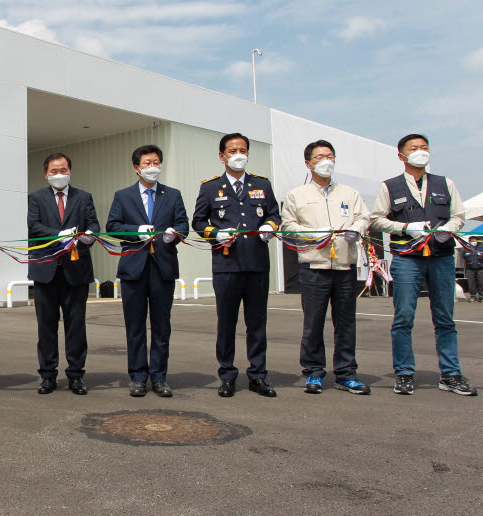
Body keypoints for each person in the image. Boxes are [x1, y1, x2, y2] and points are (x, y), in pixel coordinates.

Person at [370, 133, 476, 396]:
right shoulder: (389, 186)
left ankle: (450, 374)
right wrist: (406, 226)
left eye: (424, 147)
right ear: (401, 155)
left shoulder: (445, 183)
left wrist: (449, 229)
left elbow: (459, 215)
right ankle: (404, 373)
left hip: (440, 257)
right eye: (414, 148)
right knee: (403, 317)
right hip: (407, 258)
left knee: (445, 318)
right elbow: (376, 220)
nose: (421, 152)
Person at [192, 132, 281, 399]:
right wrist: (214, 233)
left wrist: (269, 226)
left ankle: (258, 375)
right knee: (227, 323)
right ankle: (227, 375)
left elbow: (275, 213)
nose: (238, 155)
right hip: (226, 264)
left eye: (242, 150)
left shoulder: (262, 184)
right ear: (222, 156)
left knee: (257, 324)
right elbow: (198, 221)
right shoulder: (210, 187)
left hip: (256, 264)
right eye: (232, 151)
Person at [280, 141, 371, 395]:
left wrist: (358, 228)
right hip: (314, 266)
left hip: (344, 266)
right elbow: (287, 226)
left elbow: (364, 217)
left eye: (329, 156)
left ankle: (346, 373)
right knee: (313, 322)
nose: (325, 161)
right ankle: (313, 372)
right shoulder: (297, 195)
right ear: (308, 163)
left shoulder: (349, 194)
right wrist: (313, 233)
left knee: (346, 323)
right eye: (319, 157)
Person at [105, 144, 189, 398]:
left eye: (156, 163)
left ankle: (160, 377)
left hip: (163, 267)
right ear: (136, 168)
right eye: (147, 163)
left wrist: (175, 235)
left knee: (162, 326)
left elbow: (183, 223)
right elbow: (113, 226)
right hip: (134, 268)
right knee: (135, 326)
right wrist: (135, 231)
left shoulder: (172, 195)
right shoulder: (123, 195)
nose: (152, 168)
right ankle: (138, 376)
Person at [27, 152, 100, 395]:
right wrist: (57, 234)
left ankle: (76, 375)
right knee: (46, 327)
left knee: (76, 327)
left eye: (64, 170)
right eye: (54, 171)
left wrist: (88, 237)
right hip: (46, 271)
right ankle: (47, 375)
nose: (59, 174)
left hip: (75, 272)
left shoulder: (84, 197)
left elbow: (94, 226)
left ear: (70, 171)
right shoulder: (36, 197)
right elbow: (33, 225)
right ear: (46, 174)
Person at [464, 237, 483, 303]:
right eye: (473, 241)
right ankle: (473, 296)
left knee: (481, 282)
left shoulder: (481, 249)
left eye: (475, 241)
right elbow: (464, 259)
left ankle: (481, 296)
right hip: (470, 268)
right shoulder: (466, 250)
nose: (474, 242)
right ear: (469, 241)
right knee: (471, 283)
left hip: (480, 268)